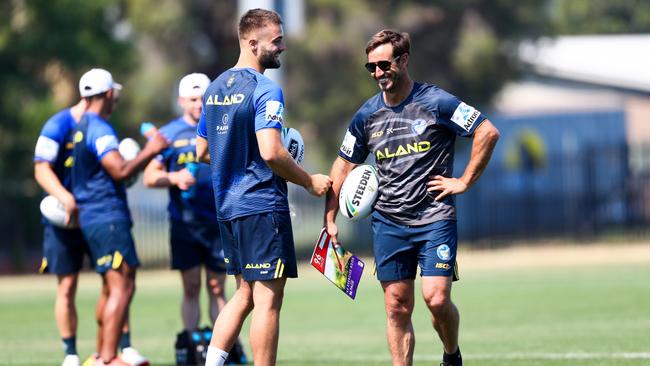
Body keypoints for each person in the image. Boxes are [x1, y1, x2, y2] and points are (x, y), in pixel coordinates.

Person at [324, 30, 500, 366]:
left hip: (434, 218)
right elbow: (343, 165)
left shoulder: (436, 102)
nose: (378, 73)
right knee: (396, 306)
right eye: (371, 67)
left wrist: (464, 181)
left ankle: (451, 354)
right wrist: (329, 219)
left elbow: (487, 131)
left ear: (403, 60)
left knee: (436, 300)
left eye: (384, 64)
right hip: (388, 222)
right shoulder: (366, 116)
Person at [195, 8, 332, 366]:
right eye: (277, 40)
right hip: (260, 206)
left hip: (228, 208)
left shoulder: (214, 89)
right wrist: (310, 180)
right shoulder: (266, 89)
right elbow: (272, 152)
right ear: (253, 43)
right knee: (268, 299)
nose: (283, 47)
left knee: (243, 295)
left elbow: (201, 151)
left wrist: (238, 156)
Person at [34, 97, 149, 366]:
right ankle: (71, 354)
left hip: (92, 214)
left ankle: (122, 348)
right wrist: (65, 198)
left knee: (114, 281)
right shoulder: (57, 125)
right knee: (67, 285)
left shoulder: (100, 125)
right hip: (63, 216)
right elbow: (41, 169)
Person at [142, 73, 246, 363]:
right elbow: (150, 177)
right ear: (181, 101)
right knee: (190, 287)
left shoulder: (222, 127)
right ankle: (190, 345)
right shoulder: (170, 134)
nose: (199, 104)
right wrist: (174, 177)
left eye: (202, 98)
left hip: (217, 222)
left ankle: (226, 347)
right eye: (192, 99)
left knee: (217, 287)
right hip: (184, 225)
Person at [70, 68, 169, 366]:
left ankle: (100, 356)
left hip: (94, 216)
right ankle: (111, 358)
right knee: (122, 286)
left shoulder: (83, 125)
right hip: (107, 216)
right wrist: (152, 150)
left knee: (113, 286)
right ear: (109, 94)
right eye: (115, 93)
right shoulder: (99, 128)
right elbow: (120, 170)